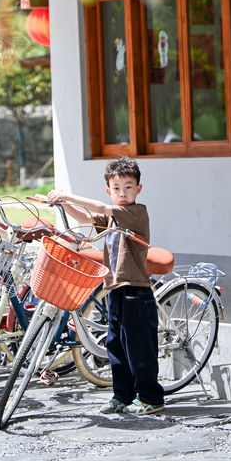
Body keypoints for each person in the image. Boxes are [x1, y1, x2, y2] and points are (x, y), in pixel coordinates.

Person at [48, 156, 165, 416]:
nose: (122, 193)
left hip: (136, 289)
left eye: (128, 186)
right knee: (116, 345)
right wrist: (63, 203)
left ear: (138, 189)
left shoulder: (135, 212)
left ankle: (151, 397)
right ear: (108, 190)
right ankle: (122, 396)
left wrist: (70, 194)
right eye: (116, 188)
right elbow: (87, 216)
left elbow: (101, 206)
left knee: (139, 347)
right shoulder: (111, 217)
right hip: (114, 288)